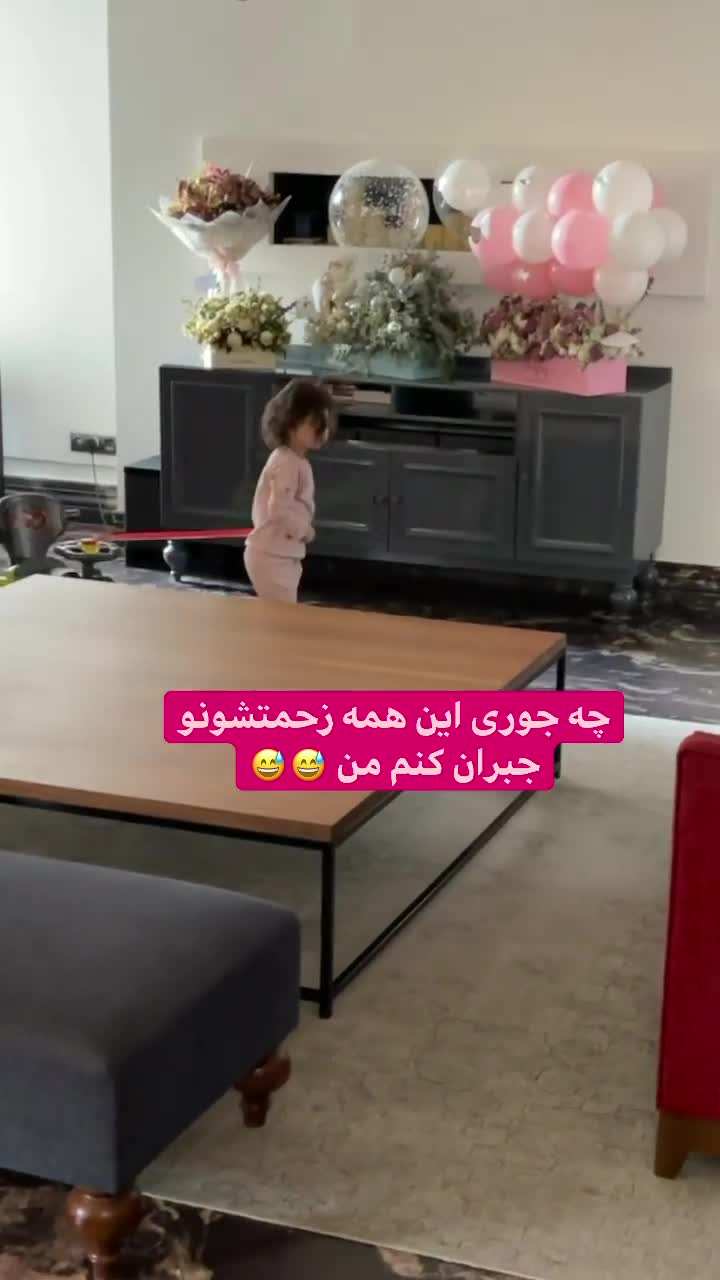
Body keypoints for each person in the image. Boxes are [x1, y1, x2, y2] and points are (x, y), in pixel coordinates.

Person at [244, 378, 334, 603]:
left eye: (325, 424)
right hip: (272, 556)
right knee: (282, 614)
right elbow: (279, 510)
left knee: (280, 613)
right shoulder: (286, 463)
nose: (322, 432)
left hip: (282, 552)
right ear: (291, 422)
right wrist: (304, 531)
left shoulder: (294, 460)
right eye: (315, 424)